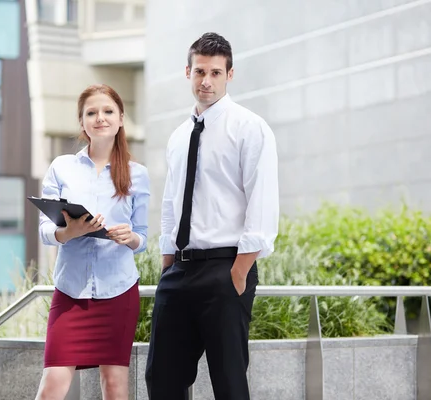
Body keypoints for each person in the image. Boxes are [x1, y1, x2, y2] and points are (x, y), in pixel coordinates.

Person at [145, 32, 279, 400]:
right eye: (200, 71)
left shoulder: (249, 128)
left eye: (216, 73)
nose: (206, 81)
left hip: (226, 269)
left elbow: (262, 202)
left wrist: (239, 271)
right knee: (162, 380)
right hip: (180, 272)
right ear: (187, 72)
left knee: (229, 384)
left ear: (229, 75)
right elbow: (172, 205)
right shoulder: (178, 136)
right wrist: (167, 264)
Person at [35, 84, 150, 400]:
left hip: (119, 291)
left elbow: (144, 237)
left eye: (108, 111)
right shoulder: (62, 167)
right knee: (52, 387)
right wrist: (68, 233)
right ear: (82, 122)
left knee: (114, 387)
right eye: (92, 113)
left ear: (121, 118)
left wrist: (131, 237)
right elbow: (45, 229)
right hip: (71, 291)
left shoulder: (137, 174)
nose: (100, 118)